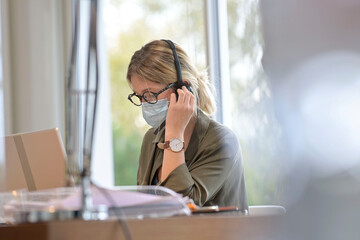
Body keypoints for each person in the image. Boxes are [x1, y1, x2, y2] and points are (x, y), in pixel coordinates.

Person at [126, 39, 248, 210]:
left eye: (150, 94)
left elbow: (179, 208)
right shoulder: (151, 138)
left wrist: (174, 134)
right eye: (140, 97)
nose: (146, 104)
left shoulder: (222, 141)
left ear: (183, 89)